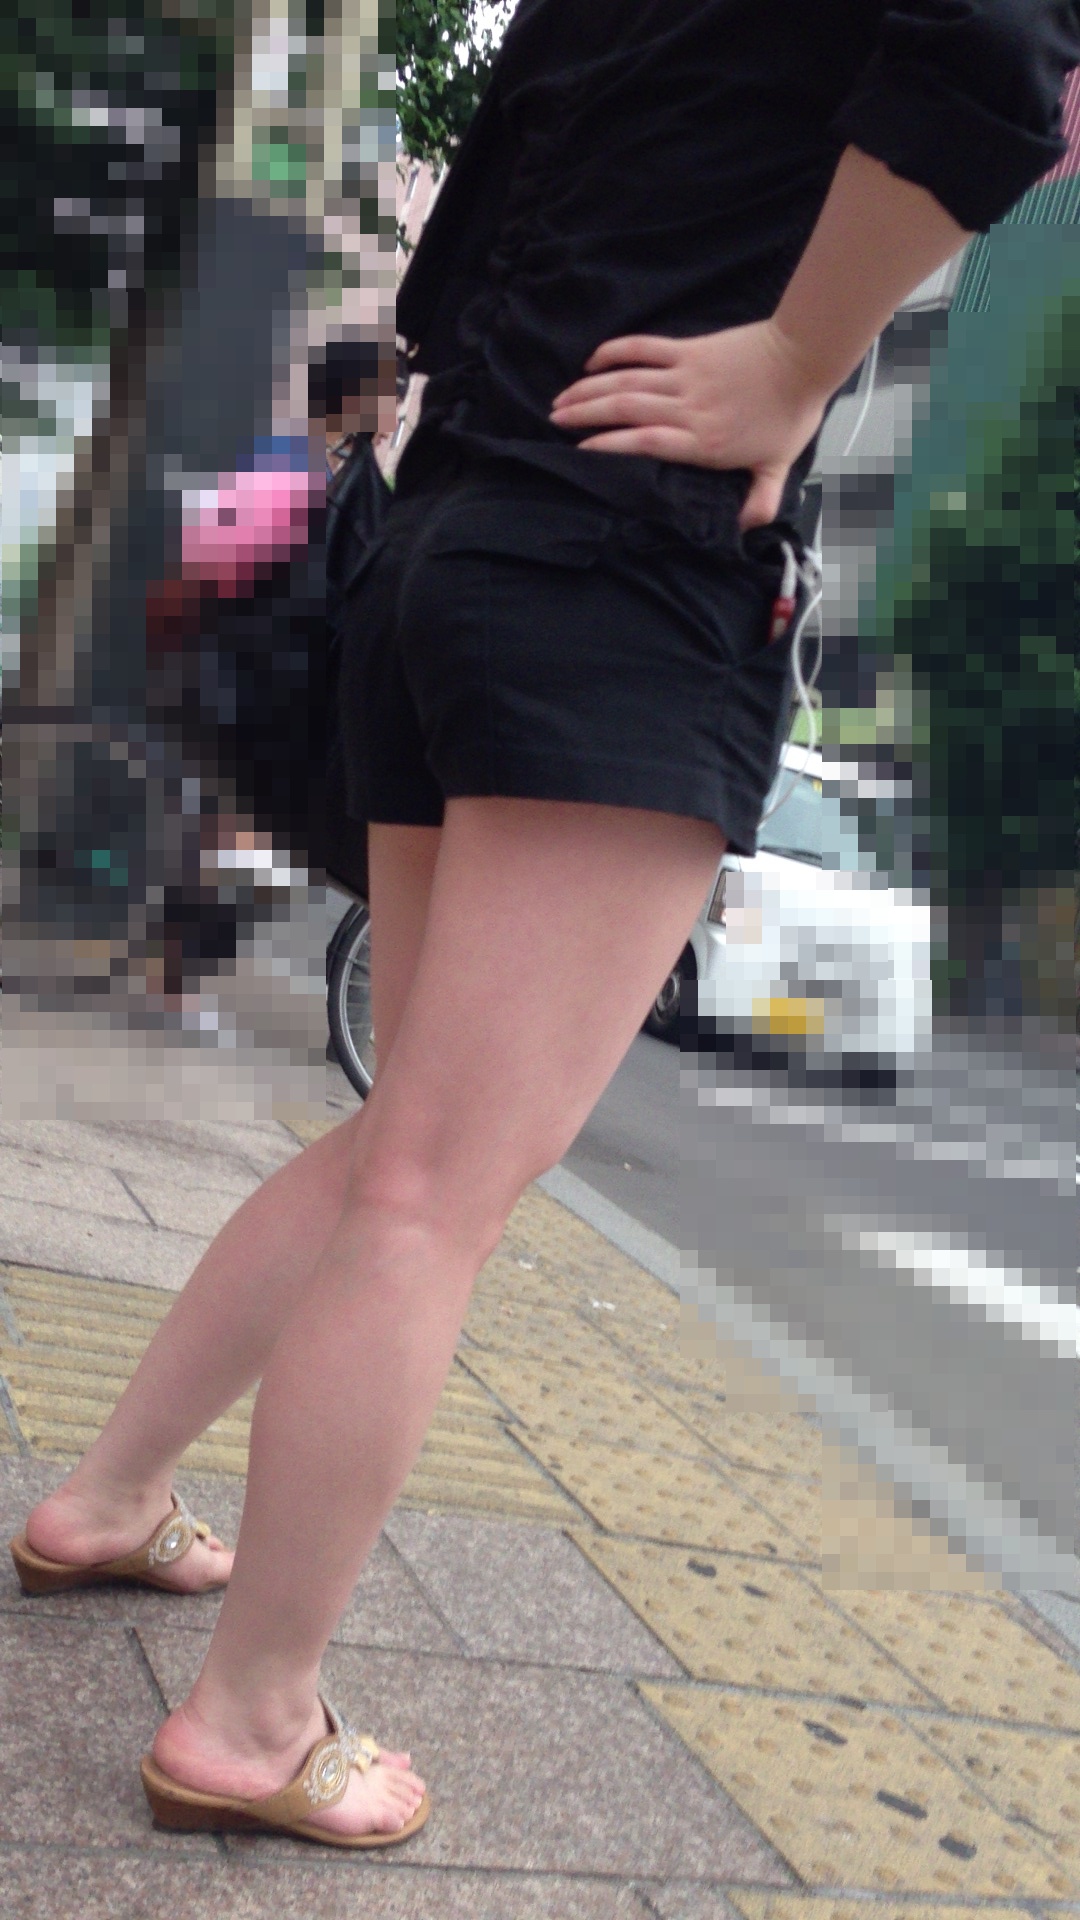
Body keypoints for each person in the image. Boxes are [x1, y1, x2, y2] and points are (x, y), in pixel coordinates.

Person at [11, 0, 1078, 1851]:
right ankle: (256, 1720)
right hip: (629, 566)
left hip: (460, 528)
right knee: (437, 1189)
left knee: (399, 1152)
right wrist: (799, 359)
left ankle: (107, 1501)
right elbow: (994, 54)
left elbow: (480, 222)